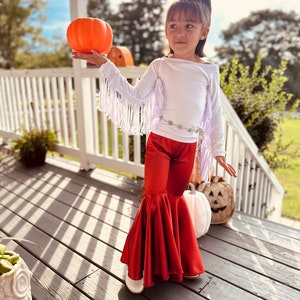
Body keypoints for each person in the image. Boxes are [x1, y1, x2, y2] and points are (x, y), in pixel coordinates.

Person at [73, 0, 237, 294]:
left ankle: (177, 262)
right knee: (153, 199)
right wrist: (107, 65)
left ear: (204, 31)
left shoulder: (209, 71)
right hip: (160, 143)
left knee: (174, 201)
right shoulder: (160, 65)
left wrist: (218, 151)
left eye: (189, 26)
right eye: (173, 26)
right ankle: (137, 265)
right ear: (166, 31)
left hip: (187, 147)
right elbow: (135, 97)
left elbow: (214, 114)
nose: (180, 33)